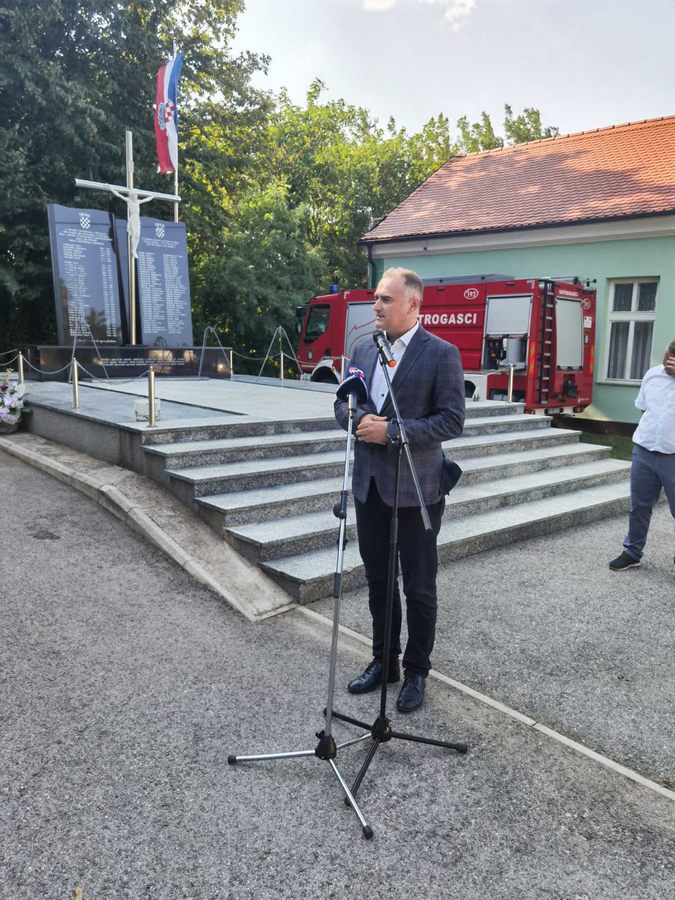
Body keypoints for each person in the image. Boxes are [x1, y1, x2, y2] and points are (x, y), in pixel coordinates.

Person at [334, 267, 465, 712]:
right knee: (378, 580)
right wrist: (356, 420)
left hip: (417, 489)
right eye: (376, 297)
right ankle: (384, 661)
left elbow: (452, 420)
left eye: (386, 299)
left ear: (413, 304)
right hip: (370, 486)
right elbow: (342, 402)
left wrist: (391, 431)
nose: (376, 306)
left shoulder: (440, 353)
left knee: (419, 587)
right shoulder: (362, 349)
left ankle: (416, 671)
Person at [609, 339, 675, 570]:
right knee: (639, 506)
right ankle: (633, 552)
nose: (668, 364)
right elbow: (644, 408)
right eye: (668, 357)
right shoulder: (652, 375)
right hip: (644, 451)